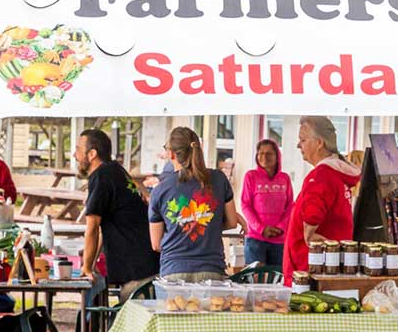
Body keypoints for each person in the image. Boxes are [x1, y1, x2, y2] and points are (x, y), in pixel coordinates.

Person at [75, 129, 160, 300]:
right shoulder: (115, 170)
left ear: (92, 154)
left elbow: (92, 227)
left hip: (138, 273)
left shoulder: (101, 177)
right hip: (147, 265)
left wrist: (85, 269)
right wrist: (89, 264)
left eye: (78, 149)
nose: (74, 155)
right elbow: (101, 229)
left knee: (133, 324)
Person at [149, 127, 240, 281]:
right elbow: (232, 222)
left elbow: (156, 244)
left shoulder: (161, 190)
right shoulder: (219, 179)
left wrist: (184, 225)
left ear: (171, 153)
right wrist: (203, 223)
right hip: (212, 270)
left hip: (174, 271)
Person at [283, 116, 360, 284]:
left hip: (310, 275)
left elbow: (312, 216)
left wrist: (308, 234)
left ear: (319, 143)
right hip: (329, 271)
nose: (298, 145)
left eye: (303, 140)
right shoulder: (335, 174)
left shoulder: (321, 176)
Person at [241, 139, 294, 268]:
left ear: (277, 157)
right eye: (261, 153)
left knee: (278, 280)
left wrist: (281, 228)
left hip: (280, 239)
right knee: (255, 280)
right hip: (256, 239)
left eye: (269, 154)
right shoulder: (250, 176)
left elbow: (290, 206)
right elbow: (245, 205)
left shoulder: (284, 178)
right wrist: (261, 229)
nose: (264, 157)